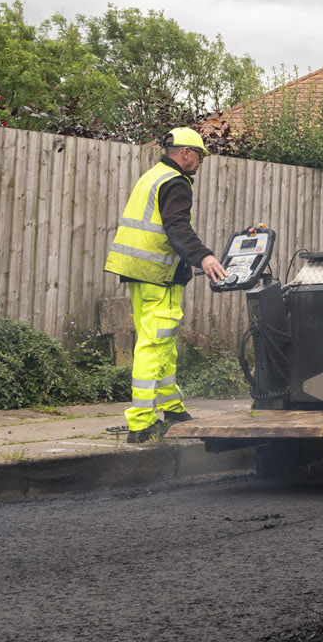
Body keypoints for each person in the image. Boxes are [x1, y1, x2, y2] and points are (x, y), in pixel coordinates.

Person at [103, 128, 228, 444]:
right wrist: (205, 257)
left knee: (162, 341)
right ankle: (142, 423)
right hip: (158, 274)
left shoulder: (153, 175)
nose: (199, 162)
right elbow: (176, 228)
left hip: (138, 270)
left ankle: (172, 408)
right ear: (185, 153)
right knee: (153, 343)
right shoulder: (176, 182)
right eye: (199, 155)